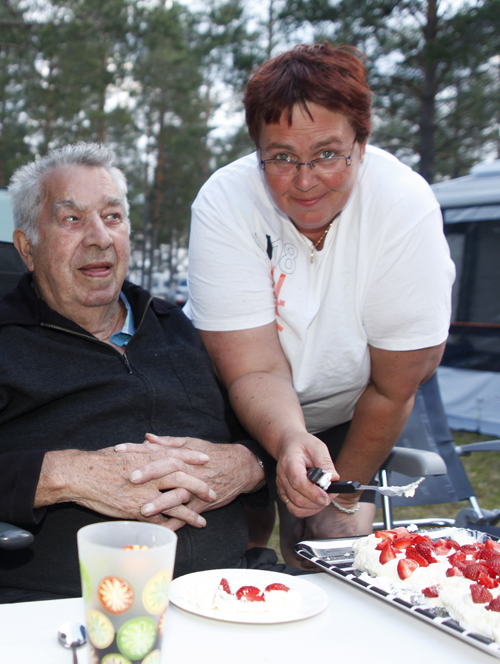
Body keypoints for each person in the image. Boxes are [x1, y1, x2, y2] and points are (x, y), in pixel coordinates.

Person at [0, 142, 275, 603]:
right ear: (27, 248)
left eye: (113, 217)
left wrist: (250, 466)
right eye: (72, 219)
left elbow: (263, 442)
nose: (99, 237)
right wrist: (64, 475)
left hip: (225, 596)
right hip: (67, 613)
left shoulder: (173, 326)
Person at [183, 43, 455, 565]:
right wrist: (287, 442)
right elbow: (253, 367)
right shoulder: (226, 202)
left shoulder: (403, 206)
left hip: (354, 406)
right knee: (234, 545)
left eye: (328, 154)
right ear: (257, 148)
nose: (305, 181)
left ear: (362, 141)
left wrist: (340, 492)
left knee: (325, 540)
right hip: (230, 401)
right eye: (281, 157)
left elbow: (395, 385)